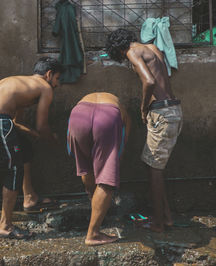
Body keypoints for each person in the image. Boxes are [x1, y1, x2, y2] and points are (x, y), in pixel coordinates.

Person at [0, 57, 62, 239]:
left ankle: (30, 198)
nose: (57, 84)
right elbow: (42, 126)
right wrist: (53, 142)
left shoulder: (22, 83)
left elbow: (16, 123)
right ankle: (5, 226)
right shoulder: (44, 87)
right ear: (49, 74)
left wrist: (33, 134)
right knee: (14, 170)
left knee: (25, 147)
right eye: (57, 79)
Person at [106, 28, 183, 232]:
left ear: (118, 49)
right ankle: (165, 217)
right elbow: (164, 75)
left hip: (161, 112)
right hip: (174, 109)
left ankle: (158, 223)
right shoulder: (152, 48)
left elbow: (149, 81)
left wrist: (143, 108)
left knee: (154, 170)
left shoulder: (132, 51)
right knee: (152, 166)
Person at [67, 92, 130, 246]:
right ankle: (93, 234)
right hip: (107, 118)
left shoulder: (84, 99)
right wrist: (116, 159)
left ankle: (93, 201)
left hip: (78, 115)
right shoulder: (118, 105)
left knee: (86, 168)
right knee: (107, 179)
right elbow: (124, 135)